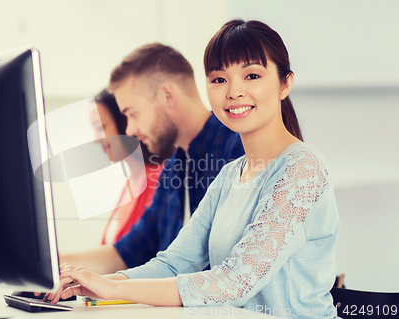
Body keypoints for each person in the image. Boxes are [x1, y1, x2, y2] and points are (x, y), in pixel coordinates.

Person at [48, 19, 340, 318]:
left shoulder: (302, 168)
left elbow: (234, 281)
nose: (234, 91)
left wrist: (114, 290)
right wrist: (89, 284)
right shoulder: (230, 175)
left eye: (252, 75)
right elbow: (172, 264)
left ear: (285, 84)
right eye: (218, 79)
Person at [59, 43, 244, 275]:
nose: (129, 130)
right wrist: (53, 262)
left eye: (133, 114)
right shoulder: (173, 171)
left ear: (167, 95)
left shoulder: (238, 149)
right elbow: (125, 253)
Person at [90, 89, 169, 244]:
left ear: (124, 123)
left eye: (100, 127)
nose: (95, 139)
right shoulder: (129, 184)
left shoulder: (158, 179)